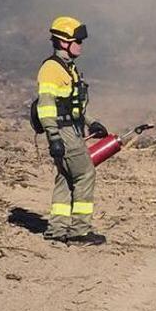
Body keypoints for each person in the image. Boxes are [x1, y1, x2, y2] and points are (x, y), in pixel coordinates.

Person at [36, 16, 107, 246]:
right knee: (85, 174)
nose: (81, 45)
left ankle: (57, 229)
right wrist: (53, 136)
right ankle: (79, 231)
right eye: (78, 40)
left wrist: (91, 122)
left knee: (65, 178)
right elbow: (46, 104)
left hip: (71, 129)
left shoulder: (69, 69)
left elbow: (70, 106)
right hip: (64, 132)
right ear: (63, 42)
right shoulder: (51, 69)